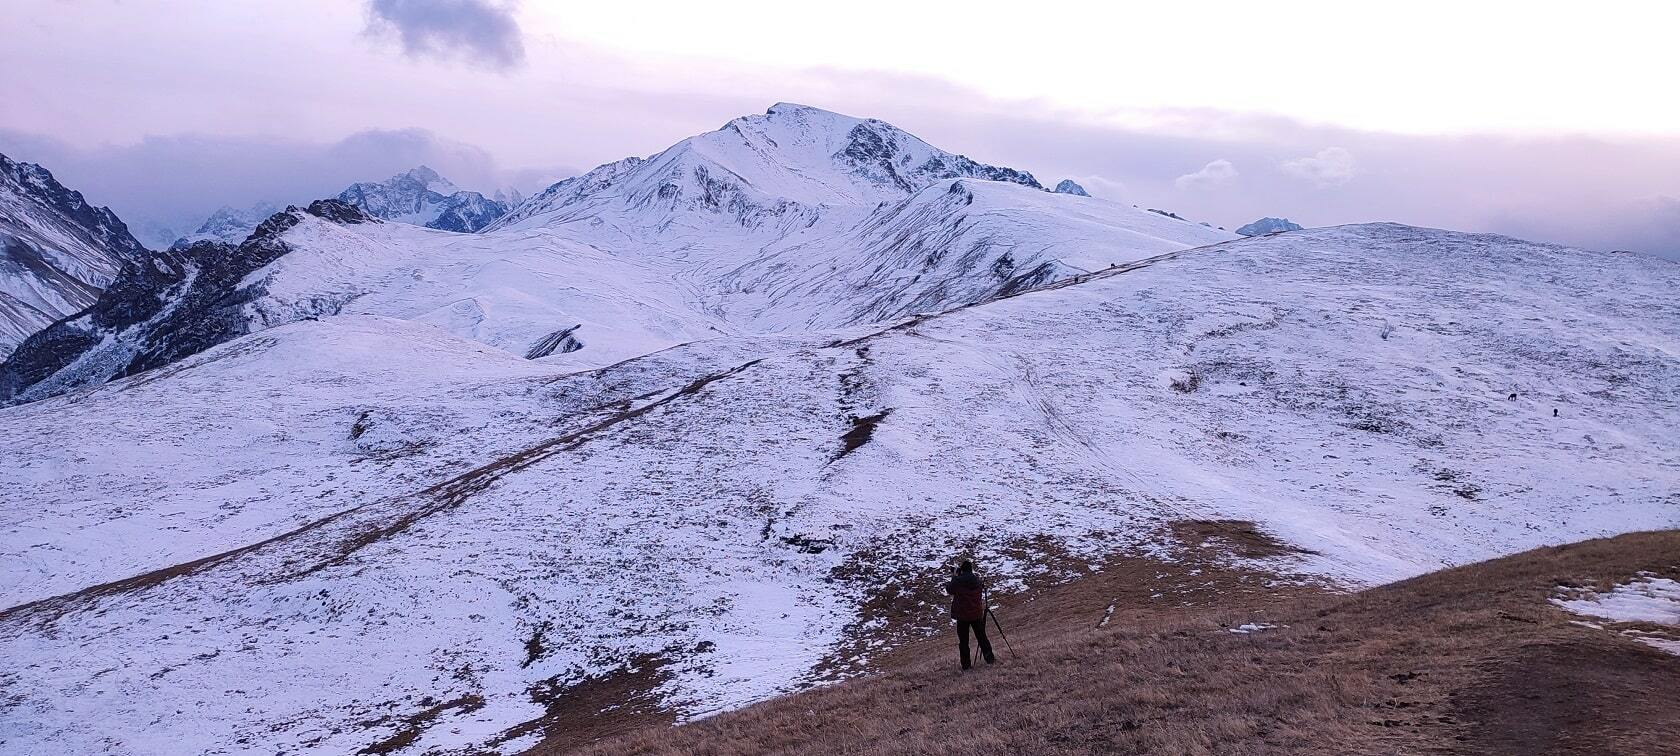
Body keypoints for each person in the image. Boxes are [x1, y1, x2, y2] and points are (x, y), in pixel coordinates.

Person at [945, 560, 996, 670]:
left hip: (962, 616)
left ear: (962, 570)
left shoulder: (958, 581)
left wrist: (954, 577)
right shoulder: (977, 580)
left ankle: (966, 666)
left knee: (963, 641)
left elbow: (949, 589)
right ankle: (990, 658)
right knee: (982, 637)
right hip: (976, 614)